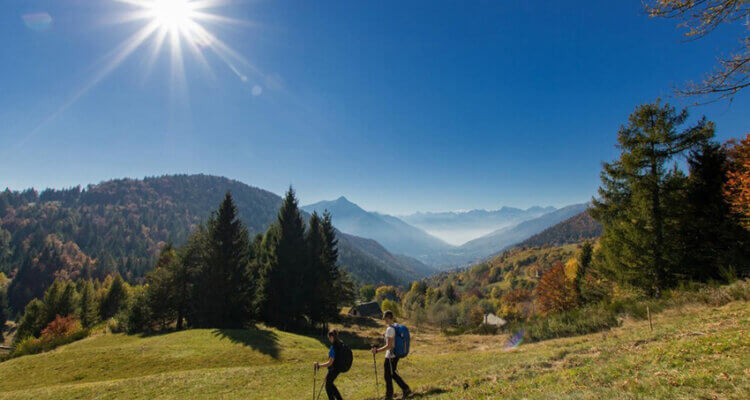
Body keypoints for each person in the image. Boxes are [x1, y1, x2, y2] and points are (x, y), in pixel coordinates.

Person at [372, 310, 411, 399]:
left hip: (391, 356)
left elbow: (389, 346)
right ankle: (403, 389)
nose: (385, 321)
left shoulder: (390, 329)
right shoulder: (396, 326)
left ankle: (391, 395)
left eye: (385, 319)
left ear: (388, 318)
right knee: (391, 374)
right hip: (395, 355)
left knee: (388, 375)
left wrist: (377, 351)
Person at [314, 329, 344, 400]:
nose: (329, 339)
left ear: (332, 337)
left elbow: (330, 362)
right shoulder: (341, 344)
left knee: (328, 385)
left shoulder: (333, 347)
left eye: (330, 338)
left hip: (334, 369)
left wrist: (319, 366)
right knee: (330, 383)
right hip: (338, 368)